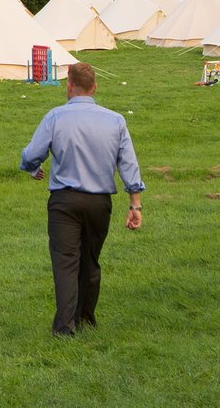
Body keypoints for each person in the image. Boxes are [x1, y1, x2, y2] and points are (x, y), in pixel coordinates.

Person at [18, 62, 145, 337]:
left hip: (64, 201)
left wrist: (33, 168)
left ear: (69, 86)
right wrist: (135, 203)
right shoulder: (116, 121)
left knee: (65, 262)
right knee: (90, 259)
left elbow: (31, 154)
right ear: (95, 87)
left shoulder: (55, 117)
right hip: (99, 203)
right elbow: (129, 164)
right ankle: (87, 317)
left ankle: (65, 327)